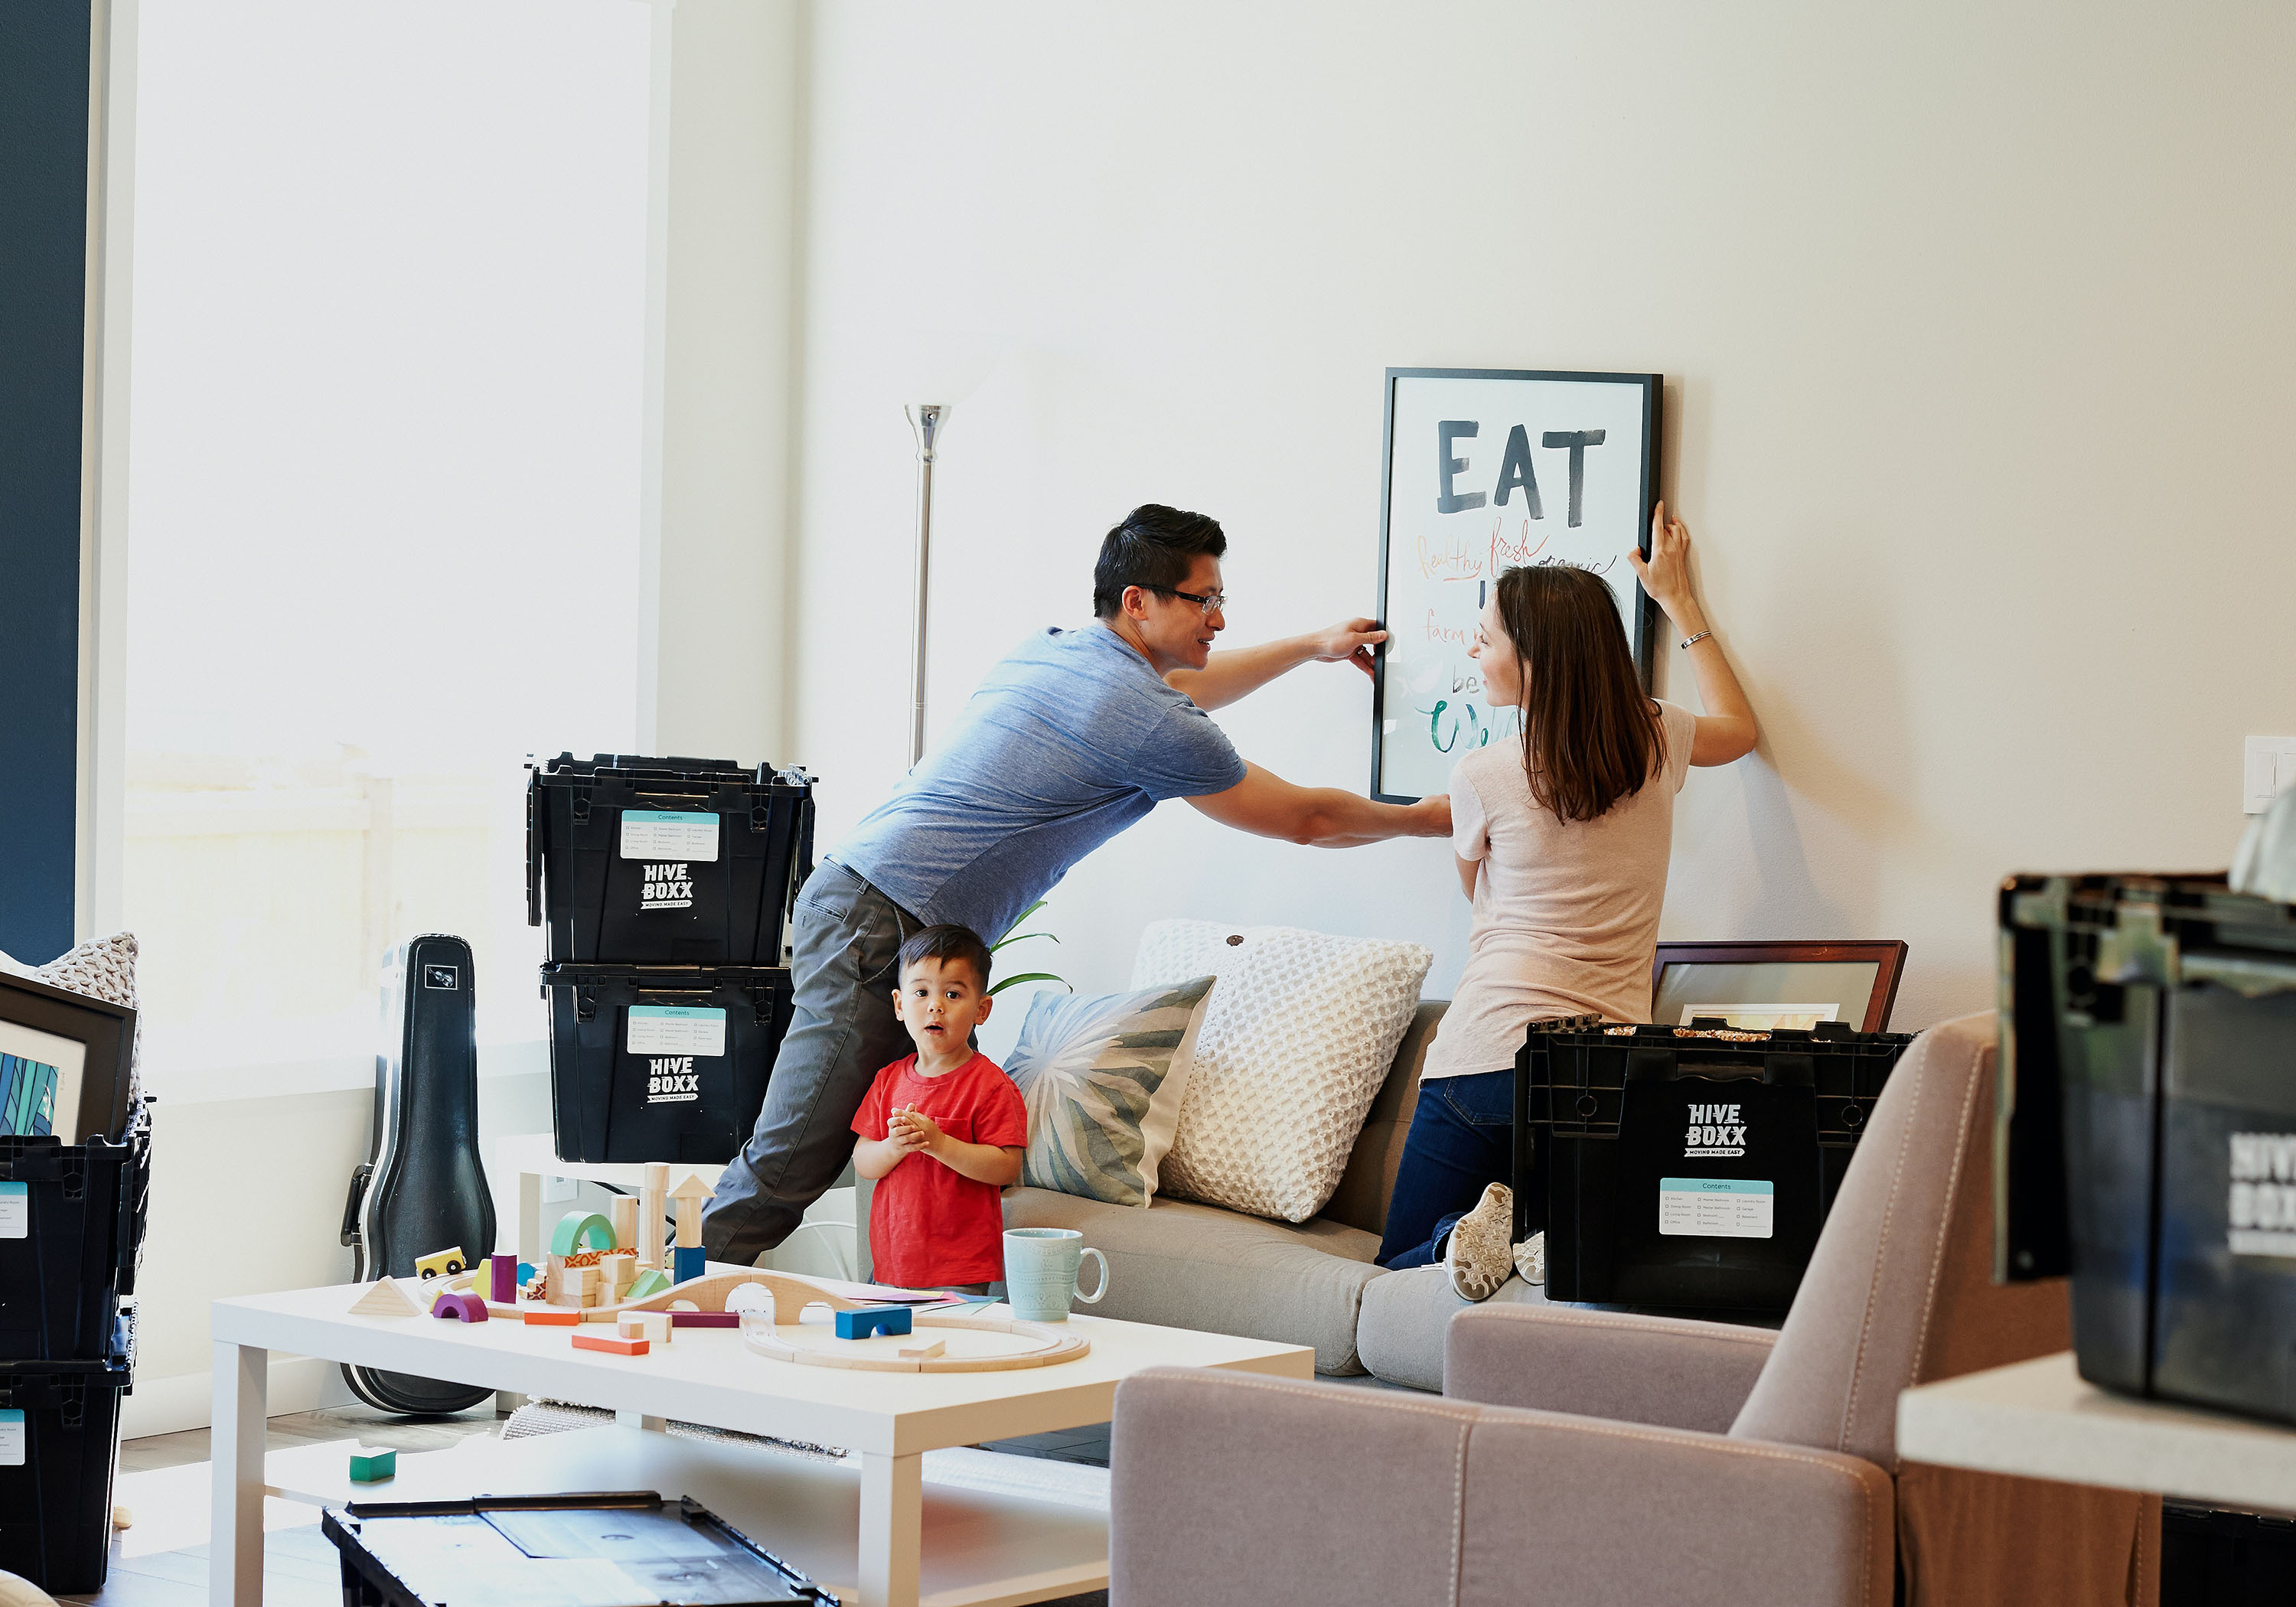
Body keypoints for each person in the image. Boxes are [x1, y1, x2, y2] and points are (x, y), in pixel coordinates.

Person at [703, 503, 1451, 1262]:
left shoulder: (1058, 650)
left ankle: (681, 1298)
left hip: (861, 898)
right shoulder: (1147, 717)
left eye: (1222, 600)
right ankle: (665, 1315)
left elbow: (1186, 687)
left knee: (802, 1146)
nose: (1218, 620)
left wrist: (1308, 647)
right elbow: (1306, 818)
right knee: (795, 1154)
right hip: (883, 922)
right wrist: (1430, 817)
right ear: (1139, 602)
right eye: (1204, 600)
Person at [1375, 503, 1760, 1299]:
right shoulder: (1656, 739)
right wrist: (1680, 603)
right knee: (1573, 1255)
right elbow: (1742, 729)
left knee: (1397, 1265)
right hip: (1606, 1069)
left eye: (1489, 635)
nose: (1475, 646)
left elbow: (1473, 888)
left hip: (1484, 1059)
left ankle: (1476, 1240)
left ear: (1536, 656)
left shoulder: (1482, 774)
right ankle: (1533, 1240)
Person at [849, 924, 1027, 1293]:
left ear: (981, 1009)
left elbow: (1006, 1167)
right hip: (894, 1260)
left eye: (952, 993)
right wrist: (894, 1147)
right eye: (921, 992)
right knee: (892, 1348)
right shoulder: (888, 1081)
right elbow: (864, 1162)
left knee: (955, 1348)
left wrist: (940, 1143)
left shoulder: (991, 1086)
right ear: (900, 1005)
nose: (936, 1005)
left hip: (961, 1267)